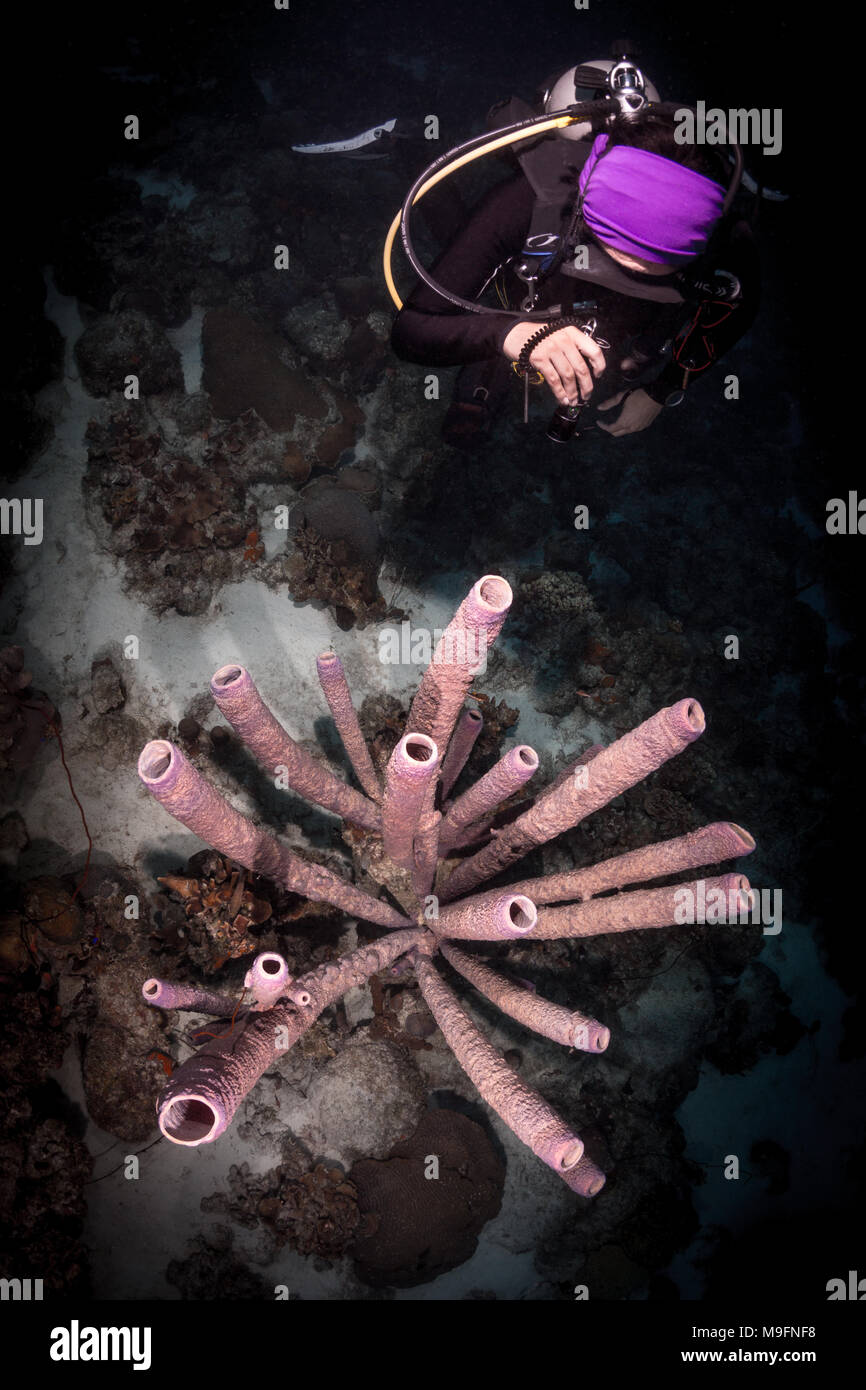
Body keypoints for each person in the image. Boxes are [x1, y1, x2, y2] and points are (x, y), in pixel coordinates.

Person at [391, 85, 760, 448]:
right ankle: (409, 145)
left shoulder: (725, 243)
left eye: (649, 272)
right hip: (515, 292)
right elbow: (412, 331)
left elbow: (738, 310)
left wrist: (661, 391)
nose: (626, 278)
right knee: (460, 240)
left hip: (614, 336)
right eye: (613, 257)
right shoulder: (531, 205)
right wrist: (510, 335)